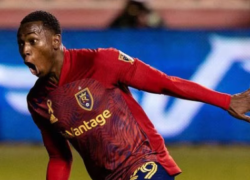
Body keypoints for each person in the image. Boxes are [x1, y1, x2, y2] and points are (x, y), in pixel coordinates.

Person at [17, 10, 250, 180]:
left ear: (55, 41)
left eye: (32, 41)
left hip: (145, 164)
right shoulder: (37, 101)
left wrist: (226, 100)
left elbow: (165, 83)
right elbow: (60, 157)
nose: (25, 50)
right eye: (21, 44)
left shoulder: (101, 61)